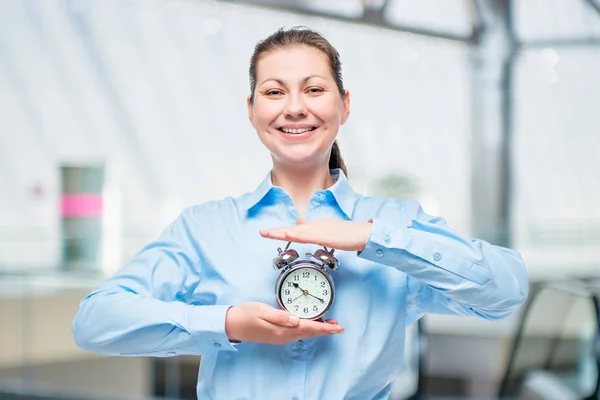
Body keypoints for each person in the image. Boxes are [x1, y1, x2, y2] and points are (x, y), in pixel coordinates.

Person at [72, 26, 528, 400]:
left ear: (343, 105)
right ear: (251, 112)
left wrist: (374, 239)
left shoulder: (395, 224)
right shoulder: (206, 229)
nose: (295, 107)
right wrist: (225, 323)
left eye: (314, 89)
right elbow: (95, 322)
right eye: (274, 92)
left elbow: (507, 288)